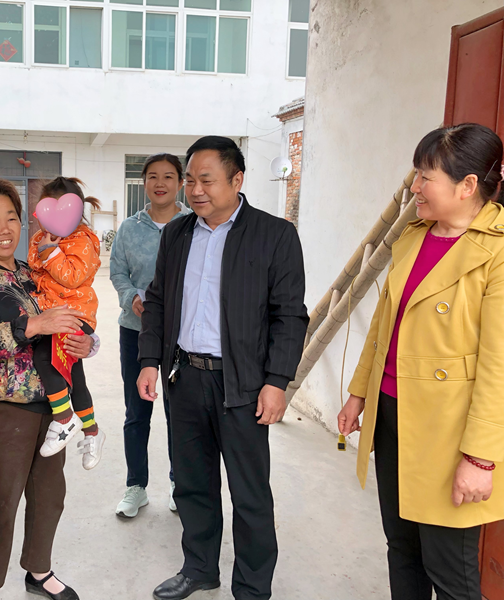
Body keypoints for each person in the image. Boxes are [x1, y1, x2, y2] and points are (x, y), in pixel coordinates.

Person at [137, 136, 308, 600]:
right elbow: (157, 301)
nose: (195, 190)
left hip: (243, 385)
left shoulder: (274, 235)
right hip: (184, 378)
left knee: (249, 493)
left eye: (207, 181)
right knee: (192, 484)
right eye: (190, 180)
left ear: (237, 180)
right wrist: (150, 360)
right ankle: (199, 568)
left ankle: (252, 588)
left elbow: (289, 316)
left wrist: (277, 382)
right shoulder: (177, 234)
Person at [338, 123, 504, 600]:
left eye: (426, 177)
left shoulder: (495, 253)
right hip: (394, 414)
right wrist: (359, 393)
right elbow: (382, 328)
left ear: (467, 185)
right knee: (402, 550)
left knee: (450, 572)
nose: (415, 187)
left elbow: (497, 366)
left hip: (451, 432)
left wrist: (480, 457)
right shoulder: (413, 238)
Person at [0, 178, 97, 600]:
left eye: (11, 218)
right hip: (6, 409)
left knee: (50, 496)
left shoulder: (35, 270)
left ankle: (38, 570)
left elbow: (71, 314)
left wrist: (86, 342)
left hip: (55, 407)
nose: (5, 229)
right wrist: (31, 325)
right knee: (1, 503)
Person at [110, 153, 191, 518]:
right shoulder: (129, 228)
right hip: (136, 330)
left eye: (169, 176)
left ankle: (179, 484)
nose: (160, 183)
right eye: (153, 176)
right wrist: (132, 298)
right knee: (136, 411)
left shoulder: (193, 225)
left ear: (181, 183)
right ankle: (136, 486)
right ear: (144, 183)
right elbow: (117, 272)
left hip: (180, 335)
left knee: (180, 413)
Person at [28, 176, 106, 468]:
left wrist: (50, 252)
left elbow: (72, 277)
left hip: (74, 315)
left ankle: (64, 418)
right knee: (75, 377)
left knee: (44, 358)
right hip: (54, 313)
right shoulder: (43, 237)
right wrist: (44, 247)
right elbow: (34, 266)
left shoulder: (83, 241)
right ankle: (92, 431)